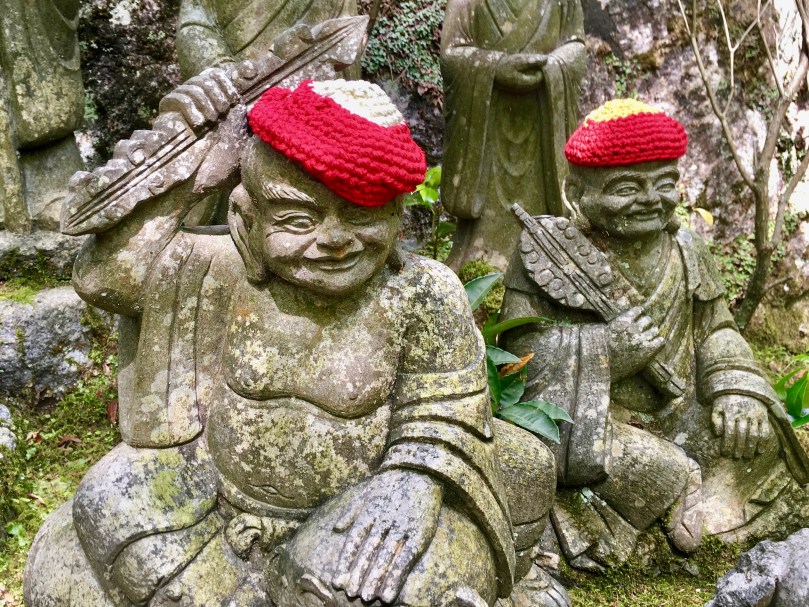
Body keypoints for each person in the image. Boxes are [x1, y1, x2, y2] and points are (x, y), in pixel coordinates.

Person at [25, 75, 563, 606]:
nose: (332, 240)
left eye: (360, 214)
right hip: (213, 503)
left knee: (356, 583)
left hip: (360, 507)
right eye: (298, 218)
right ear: (246, 220)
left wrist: (413, 481)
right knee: (106, 498)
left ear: (398, 219)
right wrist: (198, 161)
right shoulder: (217, 271)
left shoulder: (420, 292)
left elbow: (447, 412)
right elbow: (104, 278)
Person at [500, 99, 809, 570]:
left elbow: (716, 329)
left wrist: (735, 387)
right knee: (548, 453)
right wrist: (605, 353)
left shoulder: (687, 249)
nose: (649, 199)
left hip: (679, 409)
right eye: (627, 187)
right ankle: (668, 489)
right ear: (575, 191)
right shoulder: (547, 254)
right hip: (595, 419)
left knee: (758, 439)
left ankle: (689, 505)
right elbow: (518, 357)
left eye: (664, 184)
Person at [440, 0, 586, 271]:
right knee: (480, 233)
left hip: (542, 117)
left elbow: (576, 46)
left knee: (545, 213)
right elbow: (451, 54)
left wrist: (552, 66)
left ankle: (549, 254)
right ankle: (479, 258)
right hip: (487, 121)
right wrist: (496, 67)